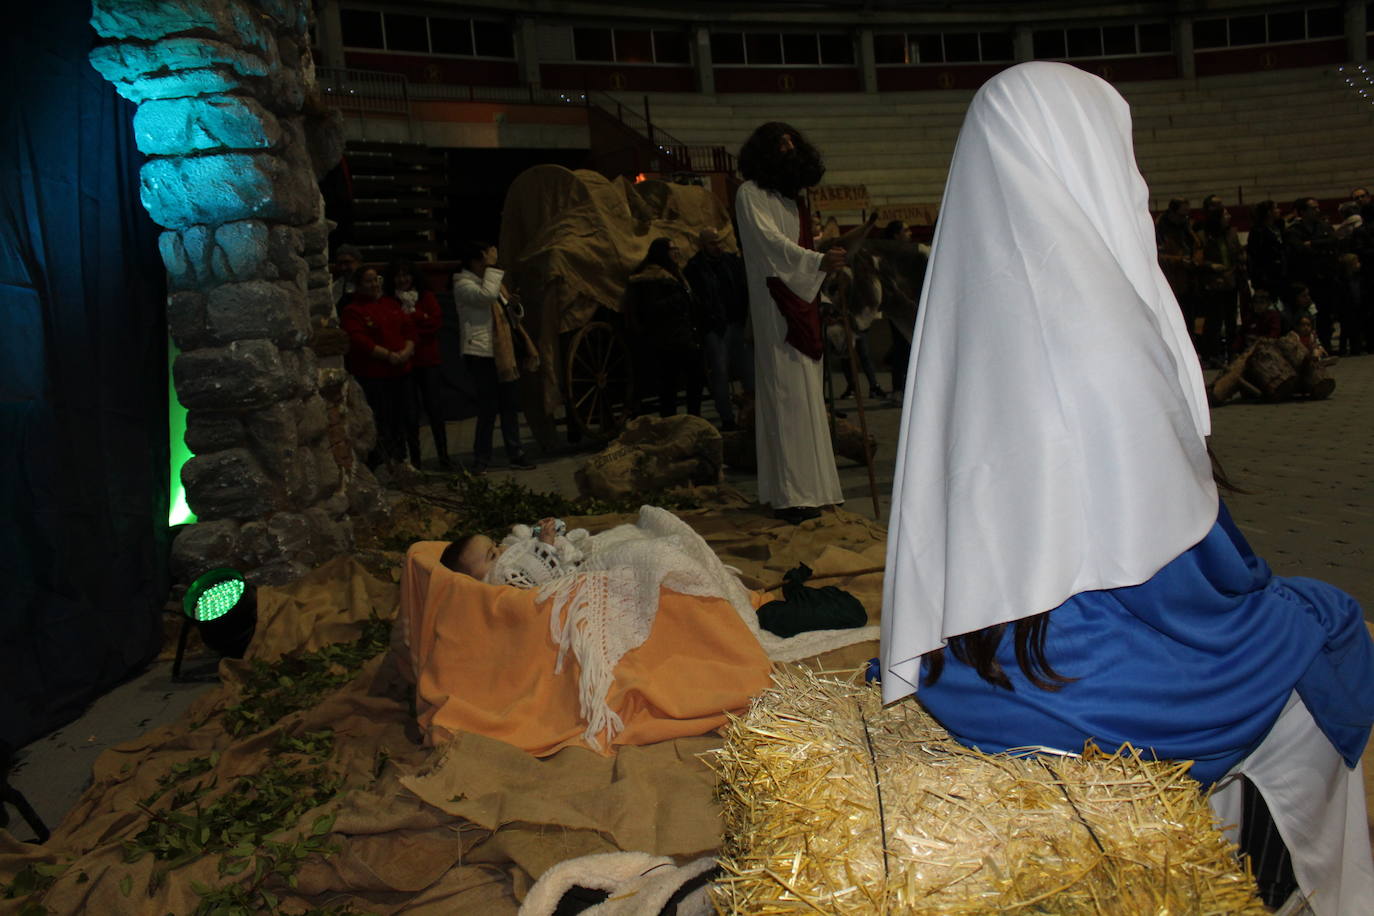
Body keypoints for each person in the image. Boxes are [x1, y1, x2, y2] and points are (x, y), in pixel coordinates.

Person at [880, 62, 1374, 915]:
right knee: (1326, 625)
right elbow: (1184, 578)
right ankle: (1315, 888)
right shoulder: (1105, 335)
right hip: (1095, 692)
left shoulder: (959, 328)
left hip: (981, 677)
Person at [735, 122, 855, 525]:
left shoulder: (795, 201)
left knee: (806, 400)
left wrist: (824, 264)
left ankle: (815, 489)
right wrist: (817, 262)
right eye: (781, 145)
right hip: (775, 307)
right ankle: (790, 495)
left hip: (802, 301)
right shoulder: (749, 194)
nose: (789, 149)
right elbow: (770, 248)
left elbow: (800, 251)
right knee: (785, 399)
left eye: (792, 143)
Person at [453, 241, 537, 473]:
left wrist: (516, 306)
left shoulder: (492, 282)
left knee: (510, 406)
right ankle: (482, 458)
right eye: (485, 259)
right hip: (481, 353)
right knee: (488, 408)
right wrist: (493, 267)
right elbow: (487, 296)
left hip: (504, 352)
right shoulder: (462, 284)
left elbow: (510, 313)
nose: (488, 264)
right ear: (474, 261)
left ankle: (515, 452)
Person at [340, 265, 420, 468]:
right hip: (375, 376)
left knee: (403, 417)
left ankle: (401, 461)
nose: (374, 284)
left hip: (401, 372)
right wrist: (388, 356)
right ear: (358, 285)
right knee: (380, 421)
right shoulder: (352, 311)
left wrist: (406, 352)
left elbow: (409, 330)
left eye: (376, 279)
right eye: (369, 281)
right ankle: (381, 464)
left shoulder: (391, 304)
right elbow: (360, 341)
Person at [624, 237, 704, 419]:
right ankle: (672, 422)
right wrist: (677, 301)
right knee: (670, 385)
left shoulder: (674, 273)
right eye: (672, 250)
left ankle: (693, 418)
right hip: (667, 340)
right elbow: (651, 308)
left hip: (684, 336)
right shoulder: (651, 277)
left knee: (694, 379)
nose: (676, 253)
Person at [684, 227, 752, 430]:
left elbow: (741, 286)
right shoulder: (695, 268)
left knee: (748, 370)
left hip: (736, 322)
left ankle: (753, 412)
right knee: (720, 373)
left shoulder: (730, 262)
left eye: (718, 242)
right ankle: (727, 418)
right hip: (716, 327)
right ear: (702, 245)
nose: (717, 246)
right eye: (712, 243)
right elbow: (697, 299)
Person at [387, 262, 452, 470]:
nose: (402, 280)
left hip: (428, 360)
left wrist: (412, 320)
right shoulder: (389, 301)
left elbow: (434, 324)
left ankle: (444, 457)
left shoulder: (426, 297)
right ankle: (415, 460)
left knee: (435, 409)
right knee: (410, 413)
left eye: (406, 275)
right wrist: (419, 320)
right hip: (405, 363)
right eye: (398, 276)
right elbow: (395, 329)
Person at [332, 244, 362, 314]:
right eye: (340, 263)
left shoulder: (371, 284)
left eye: (347, 262)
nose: (343, 268)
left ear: (359, 263)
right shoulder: (335, 286)